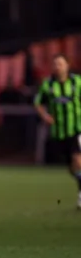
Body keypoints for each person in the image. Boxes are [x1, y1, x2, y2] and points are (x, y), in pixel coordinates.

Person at [34, 54, 81, 208]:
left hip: (77, 128)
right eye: (55, 64)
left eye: (60, 64)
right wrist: (45, 116)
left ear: (68, 65)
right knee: (71, 168)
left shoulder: (77, 82)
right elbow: (38, 103)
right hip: (59, 132)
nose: (57, 67)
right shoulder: (48, 85)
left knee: (77, 160)